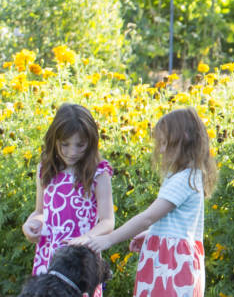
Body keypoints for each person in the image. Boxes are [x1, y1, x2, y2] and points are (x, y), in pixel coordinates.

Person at [72, 108, 217, 296]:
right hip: (174, 262)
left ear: (185, 140)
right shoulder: (188, 175)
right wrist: (153, 233)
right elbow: (181, 224)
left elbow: (148, 217)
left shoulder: (183, 179)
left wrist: (109, 239)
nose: (161, 150)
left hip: (171, 265)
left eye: (165, 143)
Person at [24, 103, 115, 287]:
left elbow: (107, 221)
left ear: (91, 142)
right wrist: (30, 224)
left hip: (81, 260)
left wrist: (86, 238)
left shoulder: (98, 173)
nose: (72, 152)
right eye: (65, 144)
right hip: (49, 257)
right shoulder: (46, 169)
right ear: (54, 140)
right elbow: (40, 212)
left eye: (80, 145)